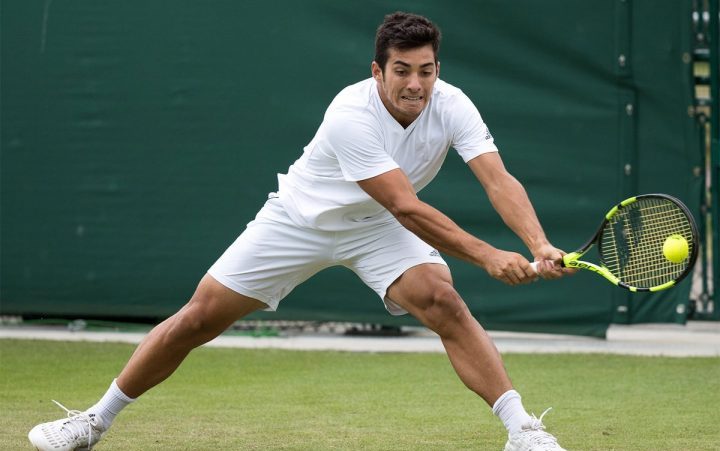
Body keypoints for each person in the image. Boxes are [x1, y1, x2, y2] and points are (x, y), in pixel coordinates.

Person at [29, 11, 573, 451]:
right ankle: (94, 422)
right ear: (377, 70)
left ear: (437, 68)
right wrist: (486, 256)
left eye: (426, 70)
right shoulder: (349, 112)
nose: (415, 83)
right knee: (197, 320)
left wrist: (537, 243)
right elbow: (406, 205)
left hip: (375, 228)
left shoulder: (452, 104)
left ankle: (522, 430)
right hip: (300, 220)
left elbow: (498, 180)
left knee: (443, 302)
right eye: (402, 70)